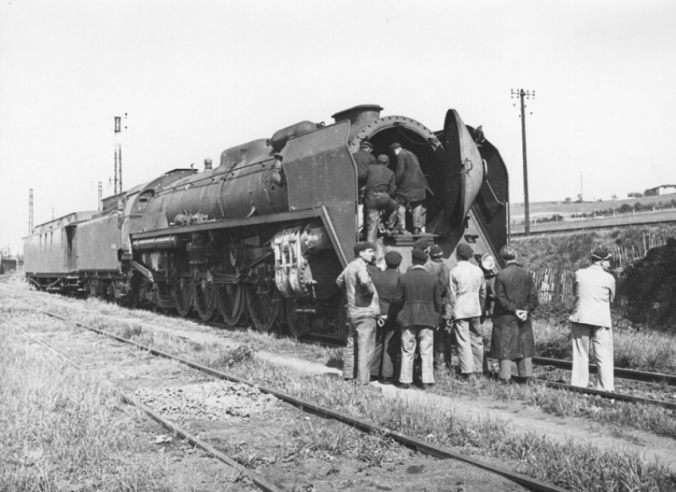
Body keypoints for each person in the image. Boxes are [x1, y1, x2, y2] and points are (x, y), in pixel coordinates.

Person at [569, 247, 616, 391]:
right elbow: (612, 298)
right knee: (603, 355)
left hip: (581, 317)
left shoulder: (579, 274)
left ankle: (579, 385)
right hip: (601, 319)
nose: (609, 264)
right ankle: (606, 387)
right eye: (608, 261)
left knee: (581, 353)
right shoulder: (609, 278)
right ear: (601, 262)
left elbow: (574, 293)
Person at [490, 245, 539, 384]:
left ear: (502, 258)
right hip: (524, 316)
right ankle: (525, 376)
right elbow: (533, 297)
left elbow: (501, 298)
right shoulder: (527, 273)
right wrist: (525, 310)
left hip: (506, 317)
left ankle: (505, 378)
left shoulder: (501, 275)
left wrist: (514, 310)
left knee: (505, 345)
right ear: (515, 257)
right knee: (524, 344)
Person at [394, 249, 442, 389]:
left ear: (412, 260)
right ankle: (427, 381)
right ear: (425, 261)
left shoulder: (403, 277)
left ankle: (405, 380)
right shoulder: (433, 278)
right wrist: (437, 319)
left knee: (407, 350)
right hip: (428, 318)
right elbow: (438, 302)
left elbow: (397, 299)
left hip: (408, 318)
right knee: (426, 350)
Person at [336, 242, 380, 385]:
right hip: (365, 313)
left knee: (352, 344)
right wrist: (368, 294)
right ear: (361, 253)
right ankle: (363, 382)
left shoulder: (349, 267)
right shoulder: (361, 267)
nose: (372, 254)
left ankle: (348, 376)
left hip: (353, 312)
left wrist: (351, 294)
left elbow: (339, 281)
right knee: (365, 348)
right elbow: (365, 282)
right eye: (370, 251)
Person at [449, 243, 486, 379]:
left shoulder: (454, 272)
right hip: (475, 309)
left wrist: (452, 311)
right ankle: (479, 370)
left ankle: (467, 372)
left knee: (463, 341)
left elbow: (452, 295)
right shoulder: (478, 270)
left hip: (460, 310)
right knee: (477, 340)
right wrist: (480, 307)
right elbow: (483, 292)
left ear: (457, 255)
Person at [369, 251, 402, 383]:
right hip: (391, 315)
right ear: (399, 264)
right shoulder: (400, 278)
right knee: (390, 343)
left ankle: (373, 372)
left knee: (376, 342)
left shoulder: (375, 276)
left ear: (386, 262)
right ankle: (387, 375)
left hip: (376, 313)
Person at [390, 142, 430, 235]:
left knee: (400, 202)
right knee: (417, 204)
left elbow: (400, 170)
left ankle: (401, 226)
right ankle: (416, 228)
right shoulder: (412, 154)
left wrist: (395, 182)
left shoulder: (401, 154)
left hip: (407, 184)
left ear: (395, 150)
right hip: (419, 184)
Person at [424, 245, 452, 368]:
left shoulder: (432, 268)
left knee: (439, 334)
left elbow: (442, 286)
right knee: (444, 335)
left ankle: (440, 362)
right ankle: (446, 362)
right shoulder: (446, 267)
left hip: (439, 305)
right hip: (445, 304)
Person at [363, 155, 399, 244]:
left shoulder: (369, 168)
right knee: (395, 207)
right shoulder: (391, 172)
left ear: (377, 161)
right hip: (384, 196)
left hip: (371, 197)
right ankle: (389, 227)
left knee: (372, 225)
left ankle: (370, 248)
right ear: (388, 163)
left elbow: (362, 178)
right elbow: (392, 190)